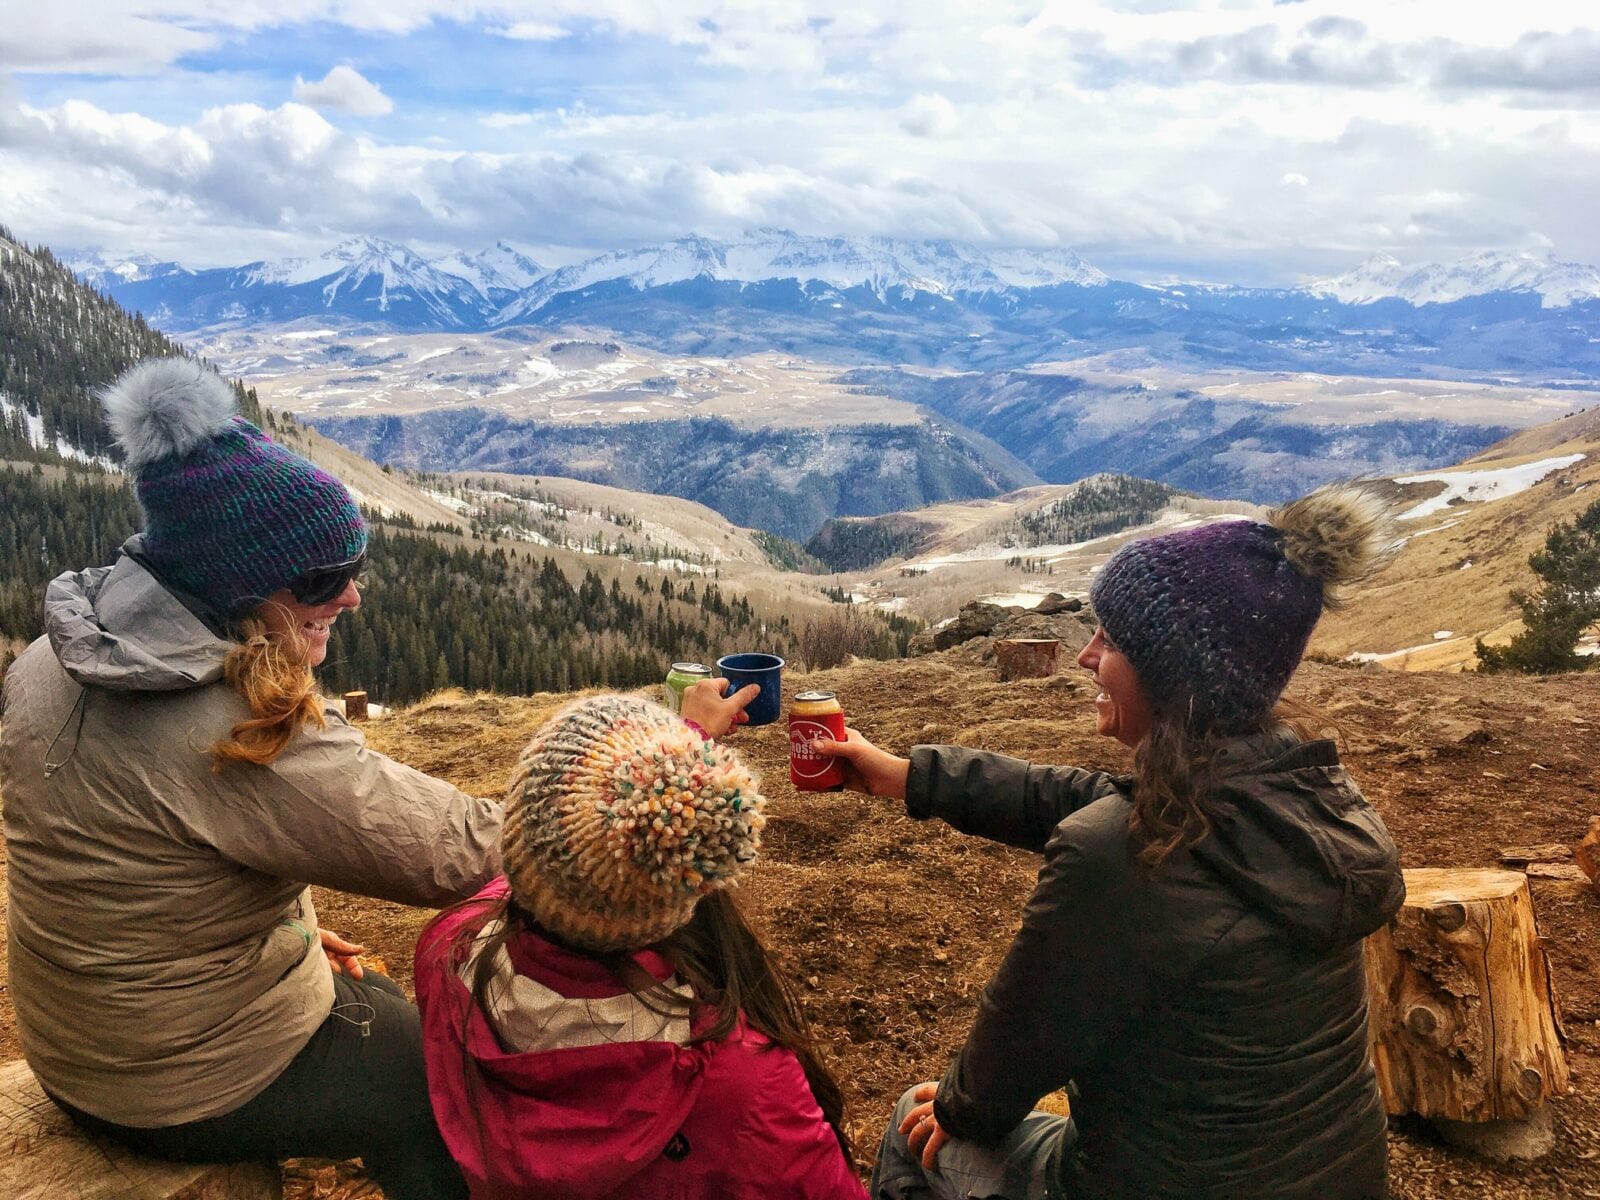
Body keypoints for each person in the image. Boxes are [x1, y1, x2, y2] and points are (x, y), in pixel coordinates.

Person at [0, 357, 757, 1199]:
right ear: (237, 589)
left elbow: (113, 840)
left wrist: (248, 927)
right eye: (323, 579)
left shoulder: (48, 660)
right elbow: (480, 850)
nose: (353, 597)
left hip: (80, 1032)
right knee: (442, 1088)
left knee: (382, 1012)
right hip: (172, 1077)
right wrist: (668, 751)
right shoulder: (242, 736)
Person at [817, 484, 1406, 1200]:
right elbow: (1084, 798)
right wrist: (910, 779)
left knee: (915, 1130)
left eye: (1112, 641)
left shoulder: (1119, 861)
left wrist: (955, 1111)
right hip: (1335, 1178)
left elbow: (1006, 1060)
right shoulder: (1307, 803)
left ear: (1174, 678)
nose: (1085, 656)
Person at [414, 693, 866, 1200]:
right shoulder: (745, 1078)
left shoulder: (448, 947)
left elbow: (544, 872)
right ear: (690, 887)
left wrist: (689, 732)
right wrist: (689, 762)